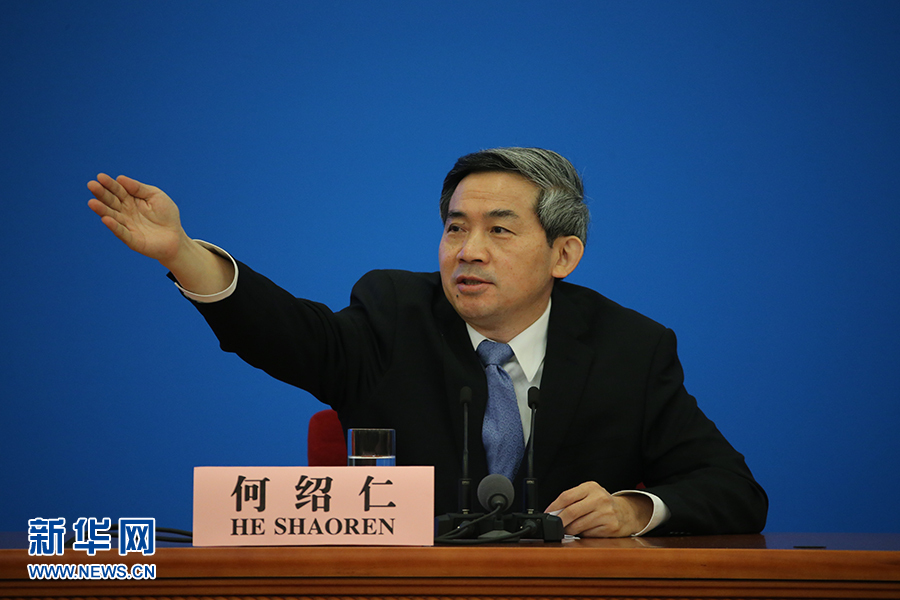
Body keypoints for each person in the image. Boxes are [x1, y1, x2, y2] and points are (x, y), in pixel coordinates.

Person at [87, 147, 768, 537]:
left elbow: (733, 490)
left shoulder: (629, 348)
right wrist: (180, 251)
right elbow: (287, 334)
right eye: (455, 228)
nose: (468, 251)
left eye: (499, 230)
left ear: (563, 255)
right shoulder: (393, 315)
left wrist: (633, 508)